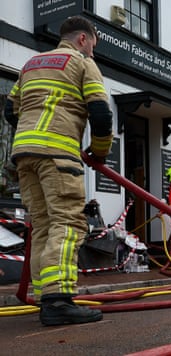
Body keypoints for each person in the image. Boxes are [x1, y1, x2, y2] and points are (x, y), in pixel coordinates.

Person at [3, 16, 113, 326]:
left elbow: (11, 110)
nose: (93, 50)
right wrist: (99, 152)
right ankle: (58, 300)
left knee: (42, 225)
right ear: (82, 40)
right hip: (58, 156)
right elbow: (101, 114)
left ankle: (44, 296)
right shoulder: (81, 62)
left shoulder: (31, 64)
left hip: (25, 155)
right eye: (93, 44)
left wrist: (33, 131)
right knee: (67, 223)